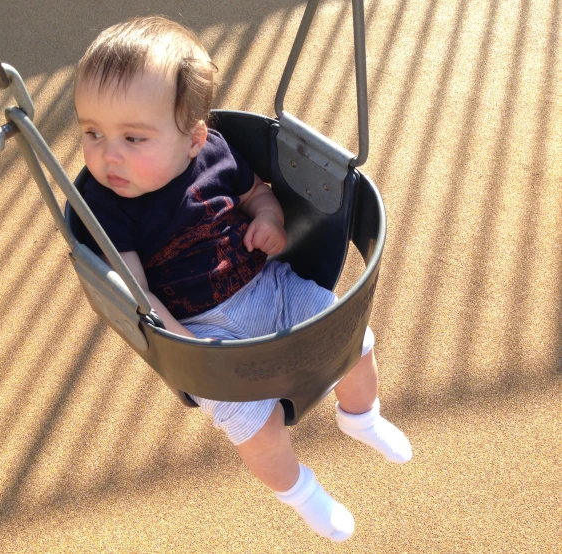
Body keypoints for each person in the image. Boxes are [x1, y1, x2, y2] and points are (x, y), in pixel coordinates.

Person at [74, 15, 412, 542]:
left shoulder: (216, 151)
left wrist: (270, 220)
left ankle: (361, 417)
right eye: (91, 132)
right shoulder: (106, 205)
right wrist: (184, 347)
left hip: (272, 285)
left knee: (354, 343)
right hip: (206, 335)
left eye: (133, 137)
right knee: (256, 425)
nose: (107, 154)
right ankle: (300, 491)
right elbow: (137, 293)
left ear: (193, 138)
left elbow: (257, 192)